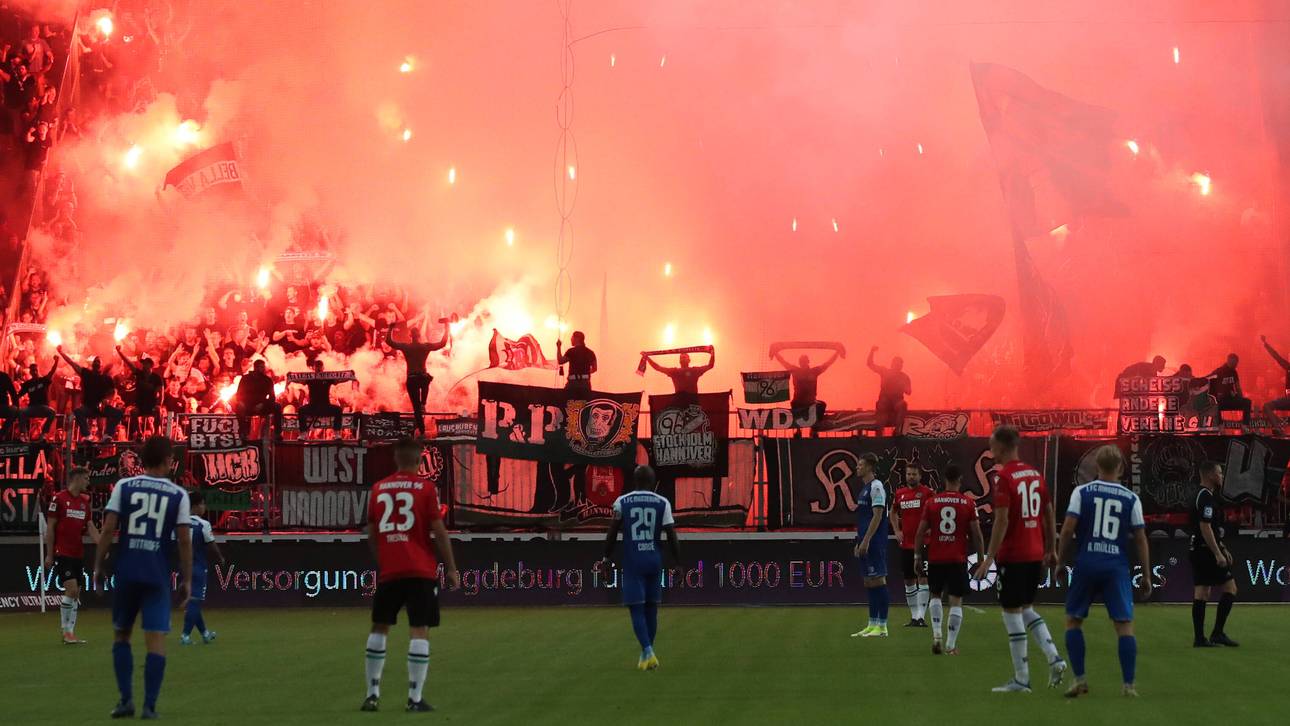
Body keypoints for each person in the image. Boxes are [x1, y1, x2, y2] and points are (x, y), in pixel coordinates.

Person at [92, 436, 191, 720]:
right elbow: (184, 540)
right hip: (156, 574)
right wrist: (187, 579)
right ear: (167, 460)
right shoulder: (178, 495)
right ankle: (149, 706)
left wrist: (98, 564)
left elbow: (109, 528)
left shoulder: (123, 486)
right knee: (155, 639)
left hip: (127, 571)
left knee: (122, 634)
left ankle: (125, 700)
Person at [362, 438, 460, 713]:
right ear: (419, 460)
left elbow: (371, 531)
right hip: (420, 570)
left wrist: (382, 560)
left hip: (390, 570)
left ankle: (372, 695)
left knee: (379, 627)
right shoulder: (425, 488)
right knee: (419, 629)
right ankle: (414, 699)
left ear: (396, 458)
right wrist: (451, 568)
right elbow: (439, 532)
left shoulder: (378, 488)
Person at [973, 425, 1066, 693]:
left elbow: (1001, 520)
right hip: (1035, 553)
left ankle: (1022, 679)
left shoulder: (1006, 478)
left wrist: (989, 557)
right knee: (1026, 608)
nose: (991, 451)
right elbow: (1049, 511)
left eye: (992, 446)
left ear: (1002, 446)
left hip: (1013, 556)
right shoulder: (1035, 475)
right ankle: (1054, 658)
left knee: (1011, 613)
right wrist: (1051, 547)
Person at [1056, 445, 1151, 698]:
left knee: (1074, 621)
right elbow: (1140, 538)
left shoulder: (1081, 492)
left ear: (1096, 466)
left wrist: (1059, 561)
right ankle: (1128, 685)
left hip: (1086, 563)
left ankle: (1080, 680)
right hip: (1115, 567)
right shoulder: (1131, 498)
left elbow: (1067, 531)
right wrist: (1147, 575)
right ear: (1121, 467)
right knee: (1124, 626)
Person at [601, 465, 681, 671]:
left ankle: (648, 650)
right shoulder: (663, 503)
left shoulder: (622, 502)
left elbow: (612, 532)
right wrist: (678, 562)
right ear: (653, 482)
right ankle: (647, 655)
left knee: (636, 608)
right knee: (651, 609)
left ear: (634, 482)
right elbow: (671, 535)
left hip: (633, 561)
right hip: (654, 560)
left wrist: (605, 557)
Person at [913, 463, 983, 655]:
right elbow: (976, 535)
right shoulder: (968, 503)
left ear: (944, 480)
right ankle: (951, 645)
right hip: (957, 558)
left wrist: (918, 556)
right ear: (960, 480)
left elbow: (920, 533)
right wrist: (980, 558)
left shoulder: (932, 502)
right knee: (955, 600)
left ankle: (936, 635)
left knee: (935, 595)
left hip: (936, 558)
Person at [44, 466, 99, 645]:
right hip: (63, 552)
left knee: (76, 594)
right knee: (72, 590)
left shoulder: (84, 502)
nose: (88, 482)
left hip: (78, 553)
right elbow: (50, 528)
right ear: (76, 478)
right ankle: (66, 632)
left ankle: (70, 633)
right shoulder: (58, 499)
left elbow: (90, 527)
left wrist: (102, 545)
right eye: (86, 478)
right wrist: (49, 554)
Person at [1190, 461, 1238, 648]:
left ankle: (1201, 638)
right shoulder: (1205, 497)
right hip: (1205, 551)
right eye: (1219, 473)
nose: (1221, 476)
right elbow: (1205, 526)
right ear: (1210, 475)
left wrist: (1223, 547)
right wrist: (1218, 553)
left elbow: (1210, 529)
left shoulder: (1202, 495)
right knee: (1230, 588)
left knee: (1203, 592)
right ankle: (1215, 634)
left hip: (1199, 549)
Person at [850, 453, 891, 638]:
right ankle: (872, 623)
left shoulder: (876, 487)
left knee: (878, 580)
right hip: (865, 539)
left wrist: (866, 540)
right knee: (869, 581)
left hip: (875, 541)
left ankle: (882, 626)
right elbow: (864, 518)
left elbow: (878, 515)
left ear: (869, 467)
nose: (857, 468)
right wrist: (859, 540)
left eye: (860, 465)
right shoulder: (865, 489)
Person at [890, 462, 933, 627]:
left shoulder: (927, 493)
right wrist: (896, 530)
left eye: (914, 474)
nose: (911, 477)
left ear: (920, 476)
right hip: (906, 544)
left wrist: (930, 528)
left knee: (923, 578)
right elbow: (892, 512)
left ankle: (921, 616)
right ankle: (914, 617)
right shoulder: (900, 494)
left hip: (924, 543)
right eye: (909, 474)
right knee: (908, 580)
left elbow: (934, 513)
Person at [388, 323, 450, 436]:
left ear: (410, 335)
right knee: (426, 379)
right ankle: (424, 402)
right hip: (422, 377)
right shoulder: (425, 346)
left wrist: (390, 329)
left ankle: (421, 431)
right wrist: (447, 326)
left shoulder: (406, 347)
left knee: (416, 409)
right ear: (420, 335)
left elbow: (390, 342)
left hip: (412, 378)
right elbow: (443, 343)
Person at [180, 490, 223, 646]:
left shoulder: (181, 523)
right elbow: (211, 544)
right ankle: (185, 635)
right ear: (197, 506)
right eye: (203, 504)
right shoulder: (203, 524)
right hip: (198, 567)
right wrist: (220, 558)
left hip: (184, 567)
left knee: (193, 601)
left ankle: (205, 634)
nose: (204, 507)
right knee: (195, 602)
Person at [58, 346, 123, 441]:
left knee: (118, 413)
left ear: (102, 365)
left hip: (102, 408)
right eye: (95, 361)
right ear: (92, 364)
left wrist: (107, 400)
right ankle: (87, 435)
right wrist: (61, 352)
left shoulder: (107, 378)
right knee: (78, 412)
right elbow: (72, 363)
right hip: (88, 407)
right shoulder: (86, 373)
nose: (96, 363)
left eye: (98, 361)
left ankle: (107, 435)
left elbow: (112, 392)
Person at [772, 348, 841, 430]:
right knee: (802, 411)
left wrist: (837, 353)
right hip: (798, 402)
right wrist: (775, 353)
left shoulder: (813, 371)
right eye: (802, 362)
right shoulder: (797, 370)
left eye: (804, 361)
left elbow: (827, 364)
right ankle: (800, 430)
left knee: (821, 405)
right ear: (800, 363)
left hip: (809, 402)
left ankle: (814, 428)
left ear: (807, 362)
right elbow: (783, 362)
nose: (803, 363)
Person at [117, 346, 163, 436]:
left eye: (145, 364)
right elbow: (129, 363)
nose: (143, 366)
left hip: (151, 405)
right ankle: (139, 433)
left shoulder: (157, 378)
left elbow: (161, 393)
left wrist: (158, 404)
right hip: (140, 405)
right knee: (133, 412)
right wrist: (120, 352)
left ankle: (157, 432)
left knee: (158, 410)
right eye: (143, 364)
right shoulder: (139, 374)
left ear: (150, 365)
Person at [232, 359, 280, 440]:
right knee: (239, 406)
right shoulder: (245, 378)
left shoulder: (267, 380)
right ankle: (243, 432)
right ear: (255, 368)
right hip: (247, 406)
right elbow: (239, 395)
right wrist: (246, 403)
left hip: (262, 406)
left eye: (264, 367)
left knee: (277, 406)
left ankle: (277, 433)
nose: (264, 369)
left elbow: (272, 397)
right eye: (261, 367)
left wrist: (263, 404)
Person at [296, 359, 345, 438]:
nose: (318, 368)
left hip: (325, 406)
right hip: (312, 407)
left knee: (338, 410)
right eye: (317, 367)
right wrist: (291, 377)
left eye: (320, 367)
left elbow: (339, 380)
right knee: (301, 410)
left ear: (323, 368)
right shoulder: (310, 378)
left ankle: (337, 433)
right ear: (313, 368)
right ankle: (303, 433)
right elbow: (299, 380)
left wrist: (350, 377)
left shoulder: (328, 378)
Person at [867, 346, 911, 431]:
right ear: (892, 364)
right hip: (884, 400)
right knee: (882, 405)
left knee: (903, 405)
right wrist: (871, 351)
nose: (897, 366)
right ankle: (879, 436)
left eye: (899, 364)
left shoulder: (904, 377)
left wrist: (903, 386)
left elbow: (909, 392)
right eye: (896, 364)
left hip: (897, 402)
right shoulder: (885, 371)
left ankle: (897, 431)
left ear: (901, 366)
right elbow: (870, 364)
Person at [646, 348, 714, 396]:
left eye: (684, 357)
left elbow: (710, 365)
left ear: (689, 360)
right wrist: (647, 358)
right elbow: (658, 368)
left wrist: (712, 354)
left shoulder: (694, 371)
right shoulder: (674, 371)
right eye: (681, 358)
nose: (682, 359)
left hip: (692, 404)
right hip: (680, 402)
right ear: (679, 361)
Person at [17, 359, 59, 438]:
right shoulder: (27, 384)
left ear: (38, 370)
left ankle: (43, 434)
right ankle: (23, 434)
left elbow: (52, 372)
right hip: (32, 407)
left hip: (43, 407)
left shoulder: (43, 380)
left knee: (52, 412)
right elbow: (18, 395)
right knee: (21, 412)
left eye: (36, 370)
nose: (35, 372)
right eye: (33, 371)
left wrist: (56, 362)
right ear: (30, 372)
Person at [1259, 336, 1290, 432]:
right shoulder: (1288, 366)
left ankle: (1280, 425)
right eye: (1289, 356)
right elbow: (1276, 356)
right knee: (1266, 406)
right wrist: (1265, 344)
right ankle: (1278, 426)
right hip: (1288, 400)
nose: (1289, 358)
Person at [1206, 354, 1250, 419]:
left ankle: (1245, 425)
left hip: (1231, 399)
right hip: (1221, 401)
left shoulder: (1234, 372)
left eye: (1236, 363)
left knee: (1247, 402)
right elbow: (1207, 379)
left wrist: (1241, 399)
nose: (1236, 365)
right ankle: (1219, 425)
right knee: (1216, 406)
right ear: (1230, 362)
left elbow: (1238, 387)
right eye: (1235, 364)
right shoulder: (1219, 371)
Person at [557, 331, 598, 395]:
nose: (571, 339)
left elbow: (560, 361)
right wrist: (584, 373)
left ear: (577, 338)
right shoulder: (590, 353)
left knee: (567, 401)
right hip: (585, 384)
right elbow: (595, 368)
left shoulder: (571, 351)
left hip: (573, 384)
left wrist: (559, 347)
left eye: (572, 337)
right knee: (583, 403)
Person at [0, 366, 18, 438]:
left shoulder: (4, 376)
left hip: (3, 406)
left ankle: (2, 433)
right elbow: (13, 393)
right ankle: (2, 433)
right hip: (3, 406)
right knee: (14, 411)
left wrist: (16, 406)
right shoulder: (4, 376)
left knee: (14, 411)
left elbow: (13, 393)